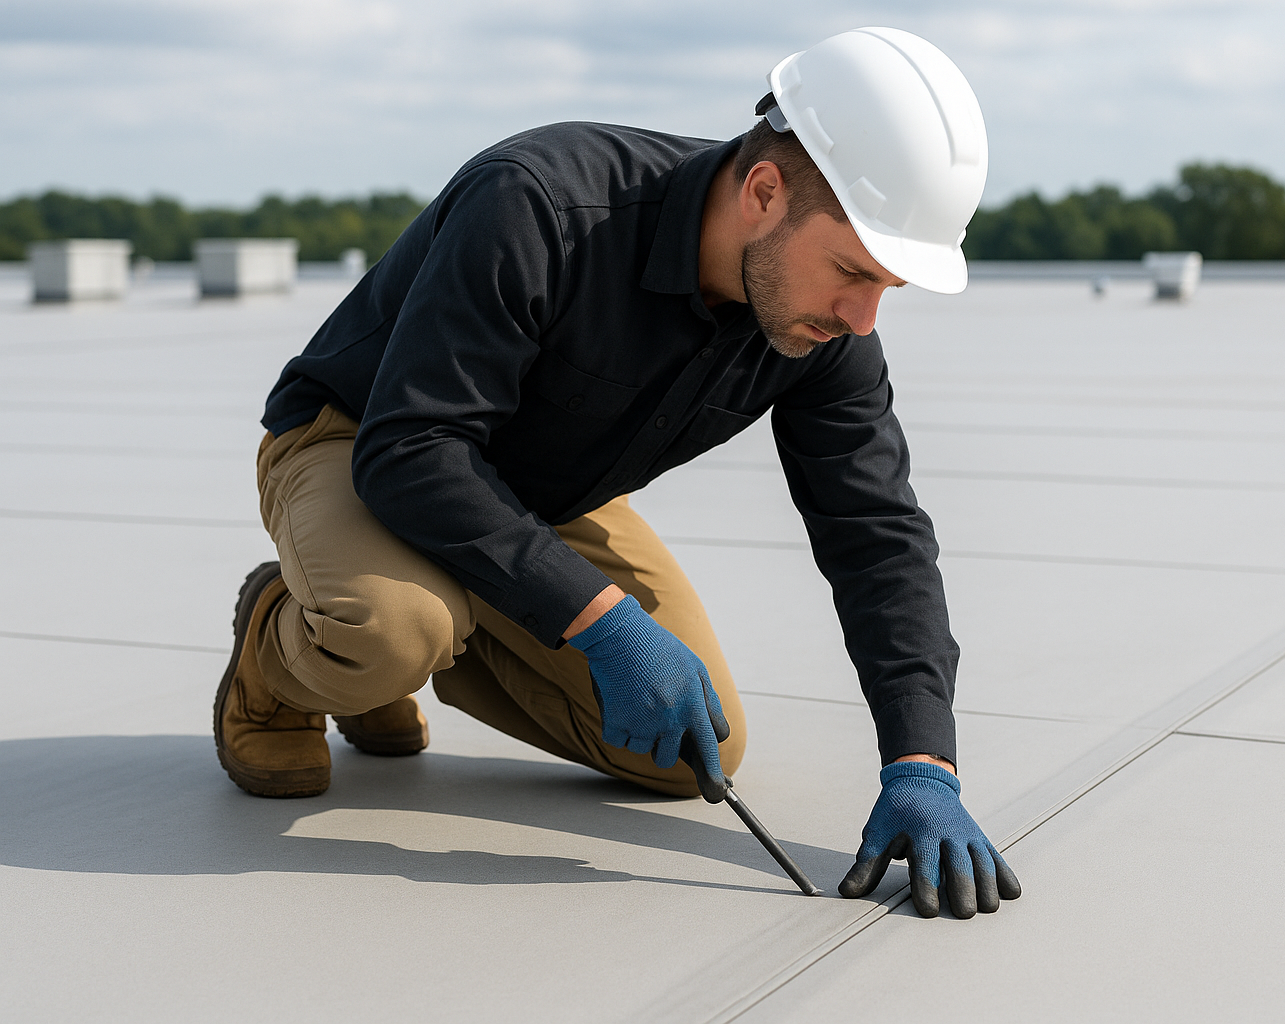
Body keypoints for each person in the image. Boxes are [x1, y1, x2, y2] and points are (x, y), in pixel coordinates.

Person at [213, 26, 1020, 920]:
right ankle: (281, 655)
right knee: (396, 627)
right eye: (851, 271)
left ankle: (397, 638)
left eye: (887, 289)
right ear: (764, 192)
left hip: (542, 496)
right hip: (362, 440)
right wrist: (600, 622)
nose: (863, 318)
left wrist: (922, 762)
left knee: (693, 753)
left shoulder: (825, 328)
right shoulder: (538, 206)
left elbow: (876, 533)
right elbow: (414, 448)